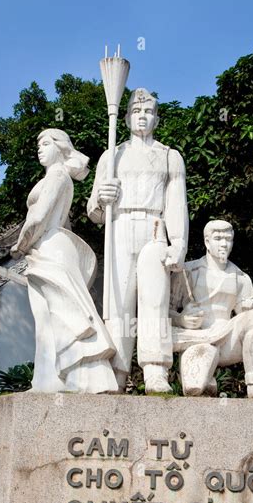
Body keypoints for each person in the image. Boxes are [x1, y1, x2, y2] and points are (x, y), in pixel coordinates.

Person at [87, 88, 189, 393]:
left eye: (148, 112)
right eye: (135, 112)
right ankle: (116, 372)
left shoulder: (170, 156)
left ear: (157, 117)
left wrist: (179, 243)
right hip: (118, 228)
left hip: (154, 227)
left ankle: (156, 370)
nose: (142, 117)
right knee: (118, 304)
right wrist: (101, 200)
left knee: (154, 300)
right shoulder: (112, 155)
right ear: (127, 117)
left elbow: (175, 203)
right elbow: (94, 211)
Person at [11, 128, 118, 394]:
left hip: (48, 247)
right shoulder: (58, 177)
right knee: (50, 316)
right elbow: (64, 223)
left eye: (45, 143)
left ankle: (64, 380)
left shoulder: (58, 175)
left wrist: (20, 244)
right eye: (39, 144)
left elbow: (39, 217)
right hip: (49, 248)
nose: (39, 149)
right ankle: (50, 380)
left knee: (57, 316)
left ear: (60, 147)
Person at [170, 220, 253, 399]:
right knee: (195, 389)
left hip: (227, 339)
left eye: (228, 239)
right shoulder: (188, 271)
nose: (224, 244)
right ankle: (207, 378)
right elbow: (161, 312)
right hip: (195, 339)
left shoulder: (241, 278)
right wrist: (181, 319)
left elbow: (252, 327)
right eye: (218, 238)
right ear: (207, 242)